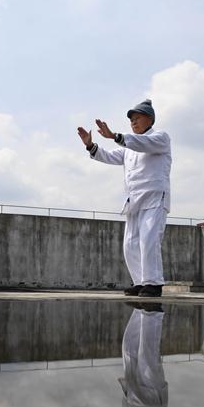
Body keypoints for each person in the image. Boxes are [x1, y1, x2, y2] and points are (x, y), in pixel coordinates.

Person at [77, 100, 172, 297]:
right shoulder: (129, 146)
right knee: (130, 244)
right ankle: (140, 282)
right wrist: (90, 146)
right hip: (133, 200)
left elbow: (143, 144)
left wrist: (116, 136)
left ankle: (153, 283)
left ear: (150, 119)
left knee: (149, 240)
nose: (134, 122)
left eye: (137, 118)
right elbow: (110, 156)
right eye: (131, 120)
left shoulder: (160, 137)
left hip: (154, 197)